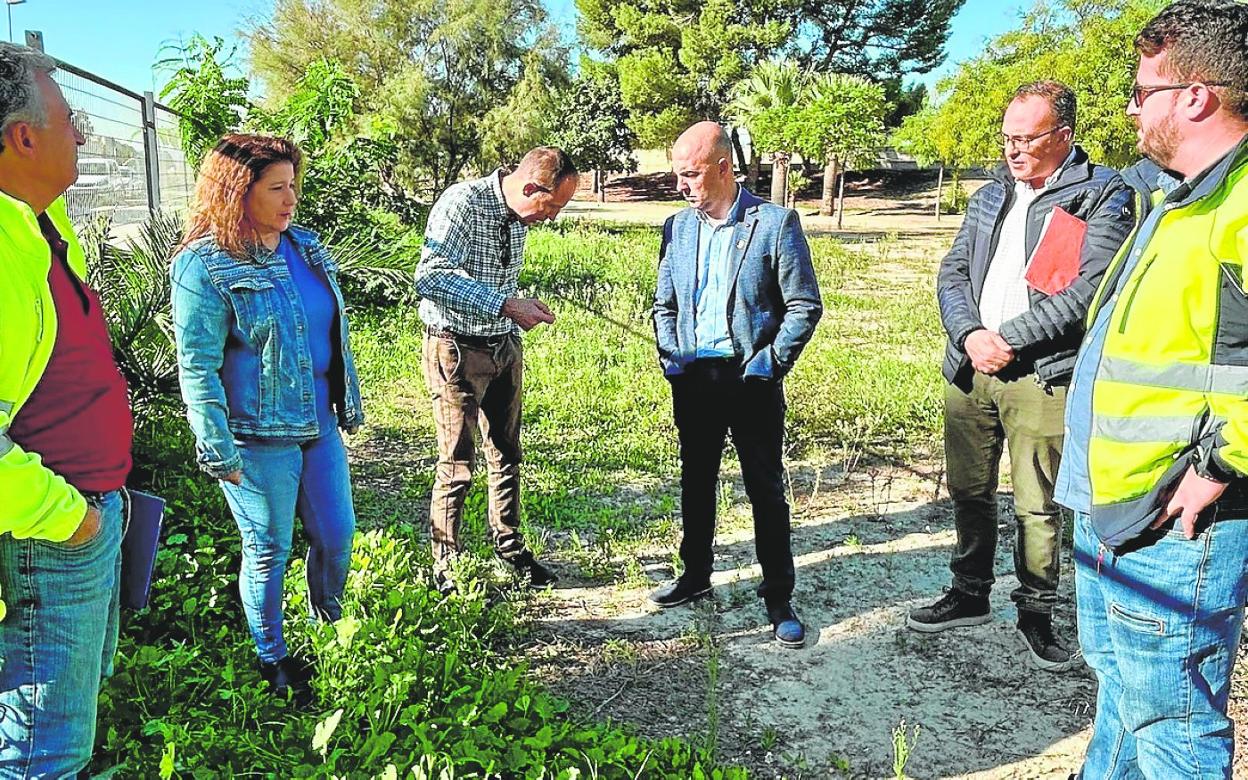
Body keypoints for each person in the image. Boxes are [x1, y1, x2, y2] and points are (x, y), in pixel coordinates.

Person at [1057, 1, 1248, 775]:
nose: (1133, 110)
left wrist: (1221, 464)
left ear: (1195, 95)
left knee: (1171, 721)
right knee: (1123, 696)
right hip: (1116, 504)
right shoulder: (1182, 197)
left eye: (1144, 91)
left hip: (1176, 522)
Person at [909, 81, 1134, 672]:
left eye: (1027, 139)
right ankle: (969, 591)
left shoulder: (1100, 193)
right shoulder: (990, 195)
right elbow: (953, 272)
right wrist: (969, 336)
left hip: (1040, 374)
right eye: (1007, 138)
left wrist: (1010, 340)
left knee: (1037, 502)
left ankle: (1036, 610)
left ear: (1063, 136)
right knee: (969, 488)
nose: (1012, 151)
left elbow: (1090, 287)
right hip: (971, 368)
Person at [170, 134, 365, 704]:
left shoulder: (304, 247)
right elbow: (197, 365)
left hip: (318, 423)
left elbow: (323, 330)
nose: (291, 200)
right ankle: (272, 656)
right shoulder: (203, 265)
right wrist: (217, 448)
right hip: (255, 438)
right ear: (238, 191)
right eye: (277, 188)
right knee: (268, 549)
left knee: (336, 536)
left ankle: (332, 629)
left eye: (294, 186)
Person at [0, 43, 133, 774]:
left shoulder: (40, 225)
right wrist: (71, 519)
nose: (82, 133)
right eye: (70, 118)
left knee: (60, 726)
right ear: (23, 137)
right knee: (37, 752)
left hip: (81, 515)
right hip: (46, 536)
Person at [649, 121, 822, 648]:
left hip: (752, 381)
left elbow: (804, 306)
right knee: (695, 484)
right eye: (678, 175)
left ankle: (778, 597)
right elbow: (664, 304)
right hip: (694, 378)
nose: (682, 185)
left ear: (724, 167)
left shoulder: (774, 224)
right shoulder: (676, 228)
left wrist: (769, 364)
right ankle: (695, 576)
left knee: (765, 491)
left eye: (691, 174)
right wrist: (671, 356)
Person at [414, 147, 578, 593]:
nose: (552, 218)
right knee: (457, 462)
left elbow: (495, 279)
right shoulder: (462, 204)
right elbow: (429, 275)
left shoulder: (518, 216)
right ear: (530, 188)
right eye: (552, 207)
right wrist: (505, 304)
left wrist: (514, 308)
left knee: (506, 452)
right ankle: (446, 567)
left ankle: (510, 549)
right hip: (456, 348)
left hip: (504, 344)